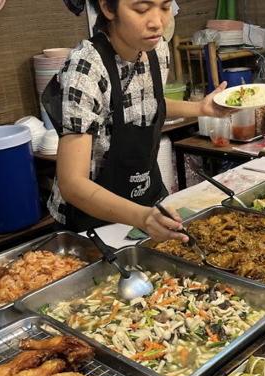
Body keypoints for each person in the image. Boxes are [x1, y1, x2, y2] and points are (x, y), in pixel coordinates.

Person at [51, 0, 234, 240]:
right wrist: (143, 217)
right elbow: (72, 184)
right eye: (142, 10)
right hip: (90, 225)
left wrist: (201, 108)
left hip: (145, 204)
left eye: (165, 8)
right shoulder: (87, 68)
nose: (157, 23)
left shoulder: (157, 50)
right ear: (107, 8)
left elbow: (145, 106)